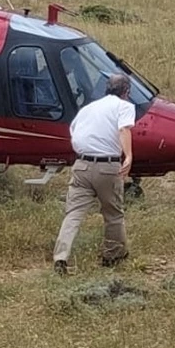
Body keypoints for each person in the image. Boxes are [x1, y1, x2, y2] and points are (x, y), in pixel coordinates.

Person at [52, 73, 135, 274]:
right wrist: (128, 156)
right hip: (107, 166)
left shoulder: (88, 109)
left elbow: (74, 132)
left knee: (73, 213)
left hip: (81, 165)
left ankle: (61, 257)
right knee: (113, 213)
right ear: (126, 92)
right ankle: (112, 255)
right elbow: (123, 130)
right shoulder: (124, 106)